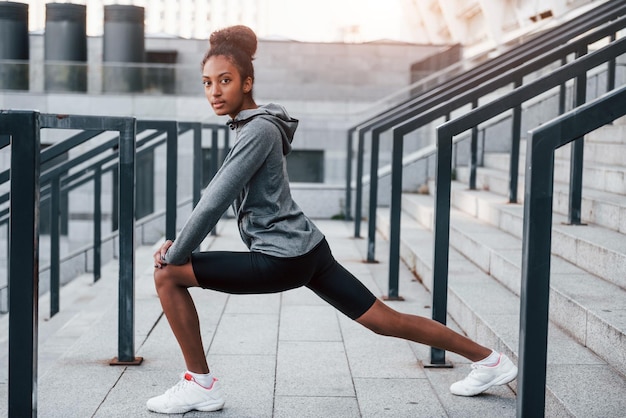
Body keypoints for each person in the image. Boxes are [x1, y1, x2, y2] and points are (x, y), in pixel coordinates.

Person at [146, 25, 518, 414]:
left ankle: (199, 384)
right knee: (383, 320)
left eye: (225, 81)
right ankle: (492, 361)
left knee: (168, 275)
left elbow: (213, 201)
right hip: (308, 249)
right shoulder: (255, 125)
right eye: (207, 83)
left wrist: (177, 251)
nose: (215, 92)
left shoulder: (256, 131)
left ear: (246, 82)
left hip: (282, 258)